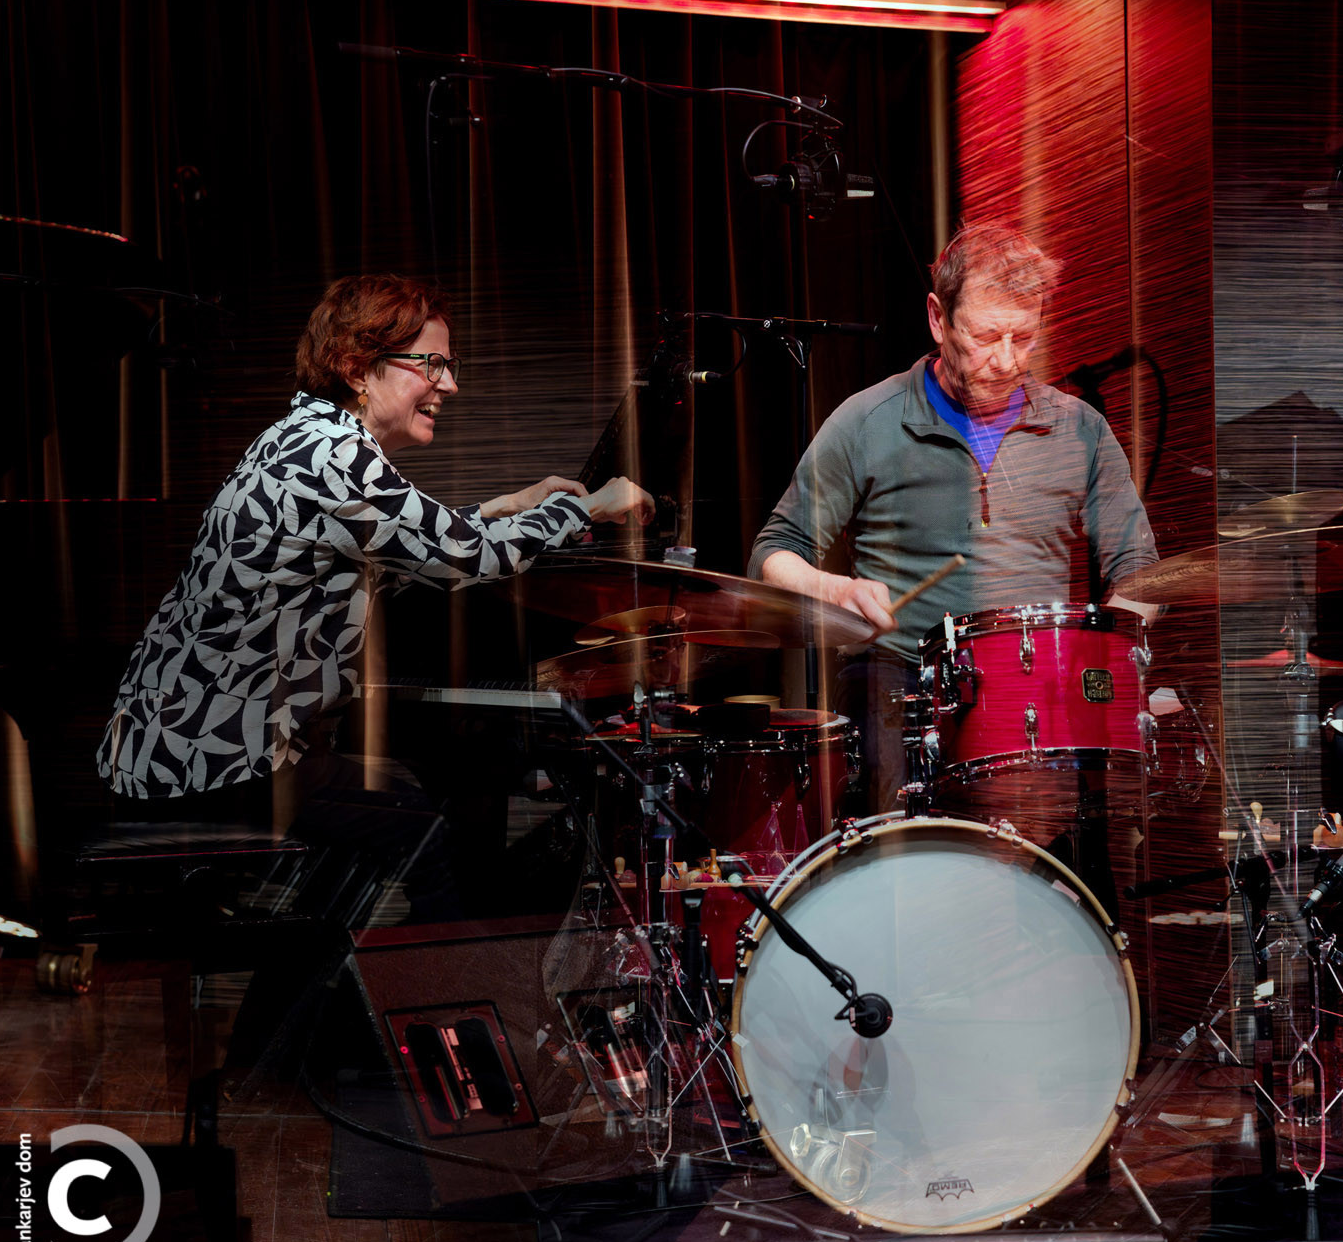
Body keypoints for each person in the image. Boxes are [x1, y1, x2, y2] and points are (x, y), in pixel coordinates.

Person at [98, 273, 652, 824]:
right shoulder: (334, 454)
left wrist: (499, 507)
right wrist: (589, 508)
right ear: (357, 368)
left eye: (449, 365)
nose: (449, 384)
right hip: (212, 756)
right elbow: (465, 556)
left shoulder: (302, 435)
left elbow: (394, 541)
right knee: (426, 833)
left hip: (168, 743)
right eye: (430, 364)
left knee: (432, 801)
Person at [748, 224, 1159, 818]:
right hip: (901, 686)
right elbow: (774, 551)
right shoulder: (868, 421)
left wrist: (1099, 661)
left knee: (1068, 855)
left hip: (1041, 686)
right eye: (986, 337)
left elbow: (1141, 571)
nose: (1006, 360)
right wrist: (837, 591)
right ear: (938, 319)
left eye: (1024, 338)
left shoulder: (1080, 429)